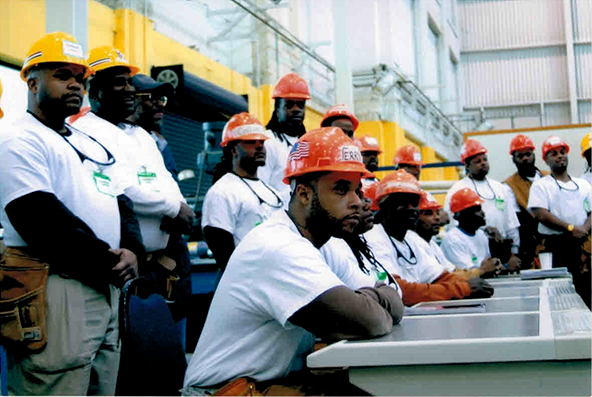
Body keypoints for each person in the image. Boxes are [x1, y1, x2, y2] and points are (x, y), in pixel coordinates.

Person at [183, 127, 404, 395]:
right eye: (341, 189)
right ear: (303, 194)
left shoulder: (326, 244)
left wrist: (368, 300)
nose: (357, 202)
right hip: (224, 391)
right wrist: (369, 302)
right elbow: (367, 322)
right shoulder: (278, 246)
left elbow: (394, 299)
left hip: (273, 382)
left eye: (357, 190)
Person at [0, 32, 142, 395]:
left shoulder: (86, 140)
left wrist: (131, 251)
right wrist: (108, 259)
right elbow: (39, 218)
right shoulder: (19, 137)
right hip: (57, 285)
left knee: (101, 385)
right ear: (32, 82)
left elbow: (120, 200)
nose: (75, 85)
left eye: (80, 78)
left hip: (104, 286)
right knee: (56, 383)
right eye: (62, 75)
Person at [72, 45, 194, 319]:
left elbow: (165, 179)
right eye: (119, 83)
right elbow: (123, 189)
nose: (129, 89)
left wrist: (181, 206)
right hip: (120, 269)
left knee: (153, 348)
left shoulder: (140, 134)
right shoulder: (85, 132)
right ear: (95, 91)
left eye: (129, 82)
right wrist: (173, 209)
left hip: (156, 267)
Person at [365, 170, 494, 307]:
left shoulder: (412, 240)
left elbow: (440, 277)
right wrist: (464, 289)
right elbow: (399, 291)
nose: (411, 209)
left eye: (414, 203)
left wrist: (468, 283)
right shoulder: (373, 238)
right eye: (402, 202)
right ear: (383, 206)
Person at [202, 112, 281, 271]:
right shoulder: (222, 192)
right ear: (233, 150)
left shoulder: (272, 192)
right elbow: (221, 249)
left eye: (262, 141)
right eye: (251, 141)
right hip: (247, 282)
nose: (259, 146)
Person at [528, 136, 591, 307]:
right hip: (555, 248)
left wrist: (584, 228)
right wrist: (570, 228)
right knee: (558, 297)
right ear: (546, 160)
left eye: (562, 152)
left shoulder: (583, 184)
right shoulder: (541, 185)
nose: (560, 156)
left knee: (585, 294)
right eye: (553, 154)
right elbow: (541, 214)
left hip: (580, 247)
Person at [445, 139, 521, 272]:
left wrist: (514, 253)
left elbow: (511, 223)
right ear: (467, 166)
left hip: (502, 246)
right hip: (472, 247)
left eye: (484, 159)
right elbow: (452, 225)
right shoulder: (457, 190)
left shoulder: (501, 188)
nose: (483, 163)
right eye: (477, 161)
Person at [415, 191, 502, 279]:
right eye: (428, 213)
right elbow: (445, 279)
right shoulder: (452, 239)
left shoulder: (432, 245)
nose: (437, 217)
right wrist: (482, 270)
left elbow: (453, 272)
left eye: (437, 212)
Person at [259, 72, 310, 208]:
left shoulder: (307, 143)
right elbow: (260, 188)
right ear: (277, 110)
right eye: (289, 105)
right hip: (277, 218)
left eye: (300, 105)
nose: (296, 110)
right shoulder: (267, 142)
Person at [503, 134, 549, 269]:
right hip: (529, 242)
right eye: (520, 156)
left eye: (528, 154)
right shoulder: (509, 185)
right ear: (514, 159)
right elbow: (516, 221)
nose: (525, 158)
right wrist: (515, 252)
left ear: (534, 155)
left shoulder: (548, 177)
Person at [440, 189, 505, 277]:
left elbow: (487, 264)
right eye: (477, 210)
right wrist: (487, 269)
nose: (483, 213)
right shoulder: (453, 239)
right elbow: (469, 275)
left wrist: (496, 265)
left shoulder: (481, 235)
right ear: (463, 215)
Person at [129, 73, 178, 180]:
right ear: (132, 99)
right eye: (152, 97)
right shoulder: (116, 137)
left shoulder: (161, 144)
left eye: (162, 98)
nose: (160, 104)